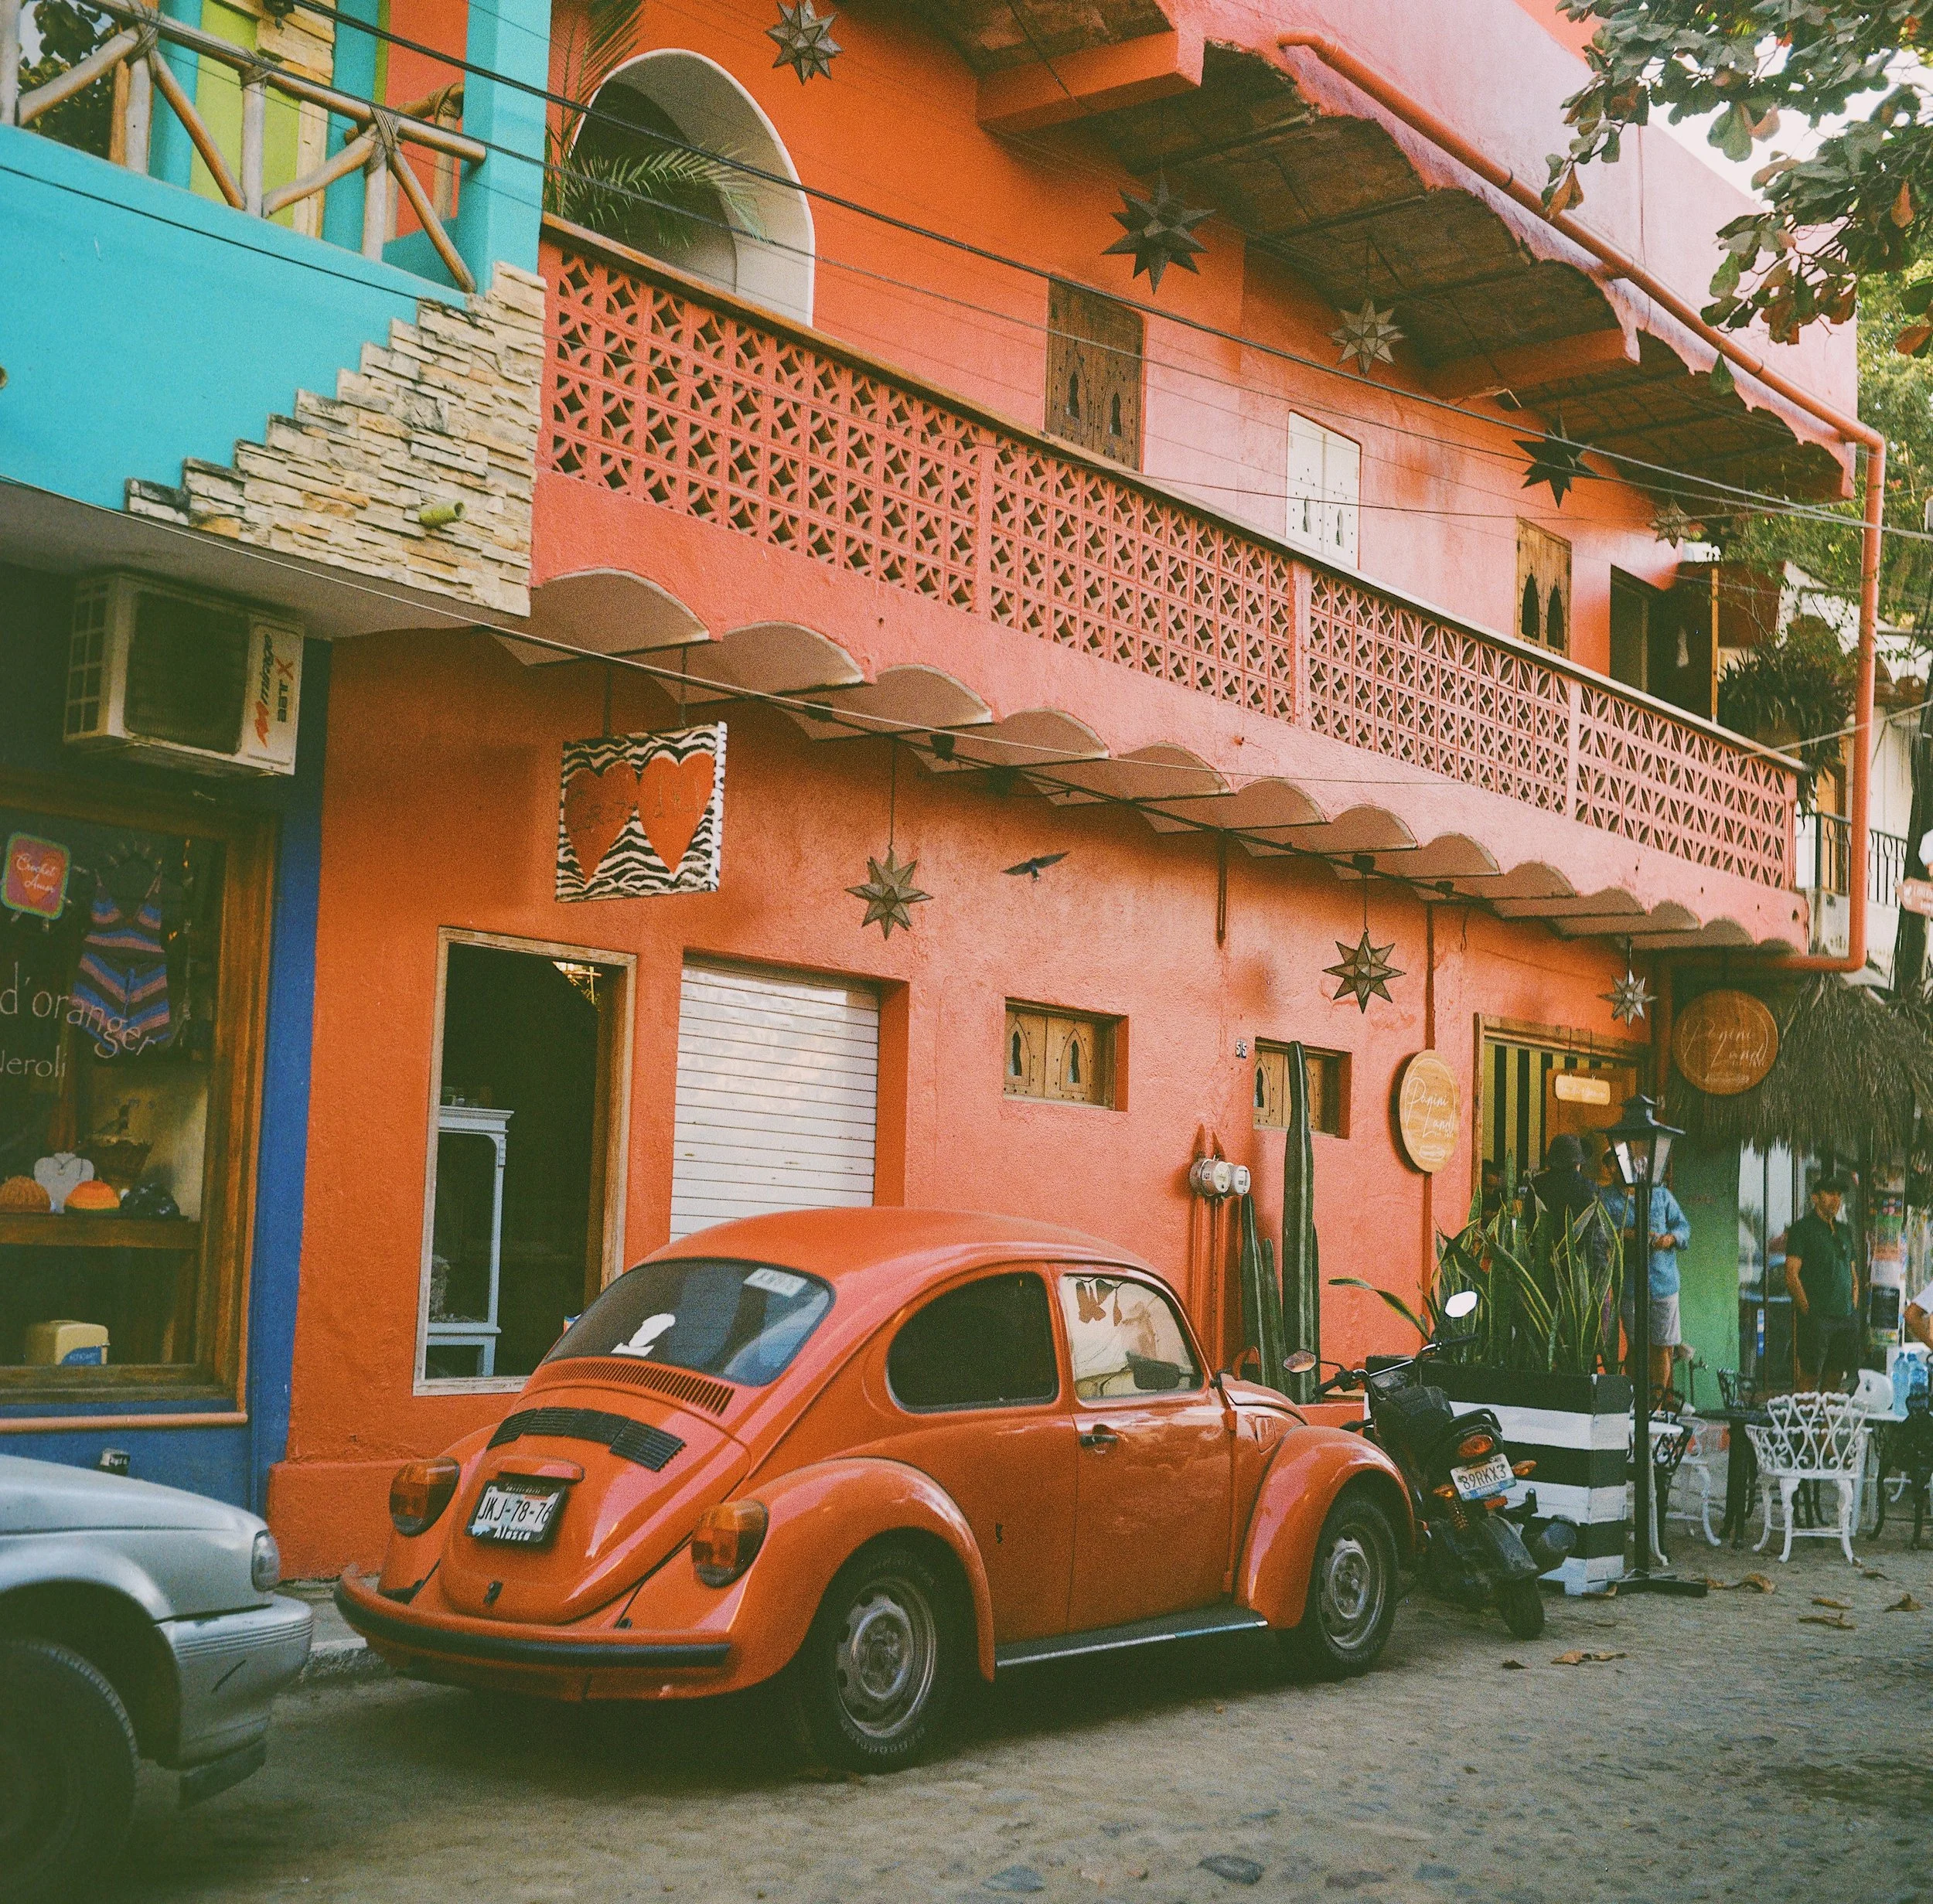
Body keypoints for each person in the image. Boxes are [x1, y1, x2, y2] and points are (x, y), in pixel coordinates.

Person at [1602, 1165, 1691, 1403]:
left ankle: (1657, 1404)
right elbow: (1599, 1234)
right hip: (1630, 1283)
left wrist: (1670, 1239)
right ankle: (1635, 1402)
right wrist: (1628, 1234)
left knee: (1662, 1346)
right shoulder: (1606, 1198)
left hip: (1664, 1282)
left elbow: (1683, 1227)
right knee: (1636, 1345)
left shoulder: (1661, 1195)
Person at [1786, 1173, 1860, 1390]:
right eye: (1830, 1194)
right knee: (1810, 1374)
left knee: (1835, 1375)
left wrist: (1853, 1306)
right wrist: (1808, 1311)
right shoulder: (1802, 1229)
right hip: (1817, 1317)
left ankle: (1826, 1424)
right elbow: (1791, 1275)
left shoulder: (1844, 1231)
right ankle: (1801, 1423)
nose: (1836, 1199)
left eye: (1838, 1195)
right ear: (1815, 1198)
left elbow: (1853, 1273)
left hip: (1845, 1316)